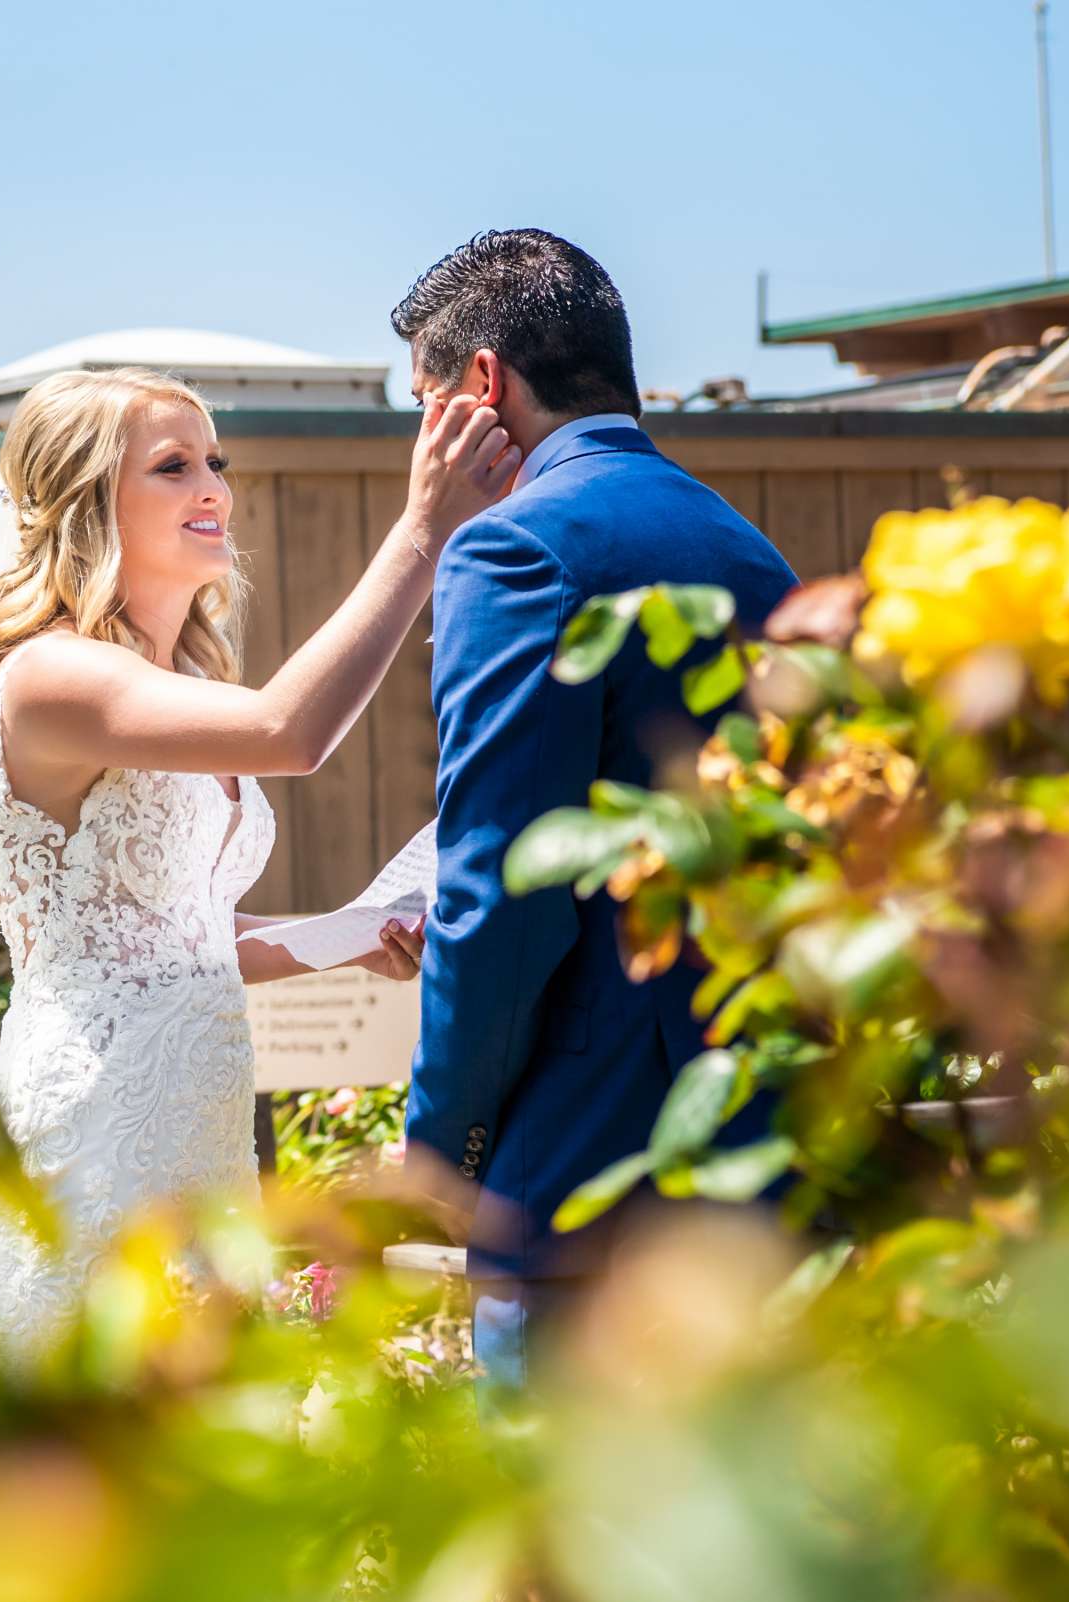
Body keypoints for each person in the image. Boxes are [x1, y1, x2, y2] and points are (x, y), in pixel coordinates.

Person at [0, 364, 516, 1367]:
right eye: (172, 466)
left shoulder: (170, 678)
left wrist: (342, 937)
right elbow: (294, 731)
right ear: (83, 504)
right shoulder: (53, 676)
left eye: (215, 462)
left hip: (197, 1128)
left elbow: (164, 938)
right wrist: (421, 531)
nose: (214, 489)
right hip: (98, 1122)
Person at [393, 230, 800, 1394]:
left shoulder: (516, 550)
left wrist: (440, 1155)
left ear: (480, 388)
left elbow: (502, 900)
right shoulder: (749, 548)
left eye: (424, 406)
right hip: (755, 1166)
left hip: (580, 1184)